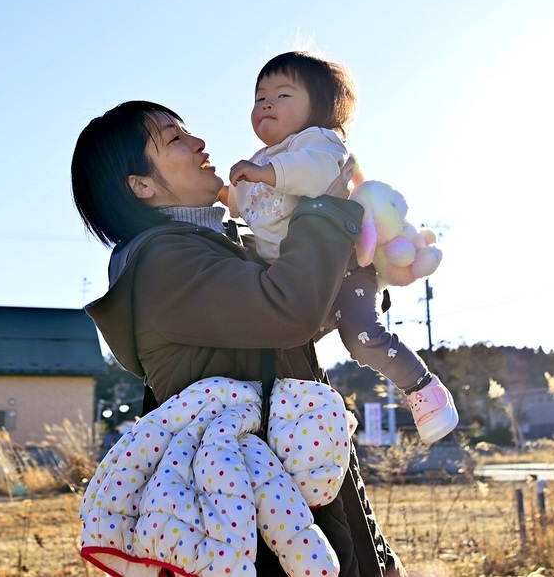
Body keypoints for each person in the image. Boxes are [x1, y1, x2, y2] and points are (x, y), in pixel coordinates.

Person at [71, 100, 405, 577]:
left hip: (308, 492)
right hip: (256, 519)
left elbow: (308, 321)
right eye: (174, 140)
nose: (198, 143)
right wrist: (324, 206)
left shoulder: (225, 249)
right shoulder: (164, 266)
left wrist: (366, 270)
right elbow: (290, 307)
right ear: (141, 185)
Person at [222, 51, 458, 445]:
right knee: (284, 346)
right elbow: (248, 204)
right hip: (300, 279)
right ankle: (307, 416)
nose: (265, 103)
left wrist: (264, 173)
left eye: (282, 95)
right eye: (259, 96)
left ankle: (423, 388)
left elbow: (313, 173)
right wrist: (221, 194)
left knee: (361, 336)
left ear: (320, 108)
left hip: (344, 268)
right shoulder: (262, 160)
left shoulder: (319, 143)